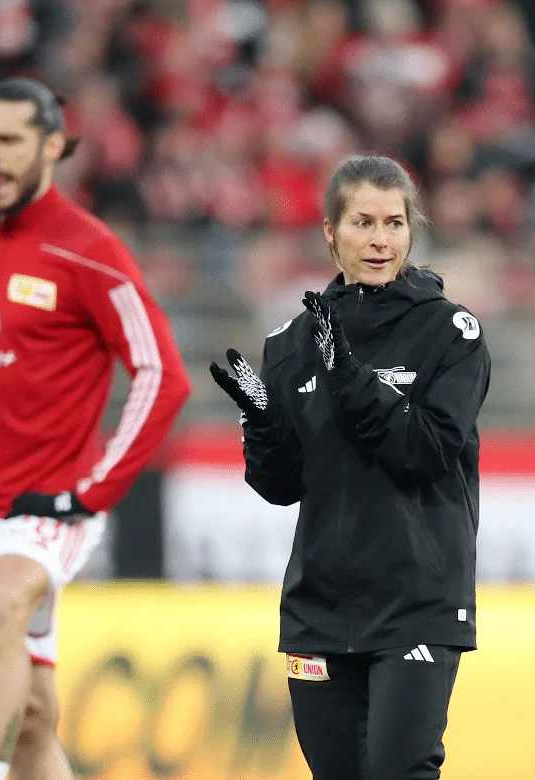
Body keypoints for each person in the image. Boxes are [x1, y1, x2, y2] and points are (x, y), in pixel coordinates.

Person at [210, 155, 491, 780]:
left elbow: (426, 450)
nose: (380, 239)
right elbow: (281, 486)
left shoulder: (452, 333)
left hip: (416, 600)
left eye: (394, 223)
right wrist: (260, 418)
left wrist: (350, 377)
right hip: (319, 609)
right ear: (330, 232)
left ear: (412, 231)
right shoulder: (289, 344)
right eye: (363, 222)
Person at [0, 77, 191, 780]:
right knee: (34, 716)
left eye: (9, 141)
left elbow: (163, 375)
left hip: (51, 504)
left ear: (52, 146)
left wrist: (91, 491)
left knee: (1, 598)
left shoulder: (90, 249)